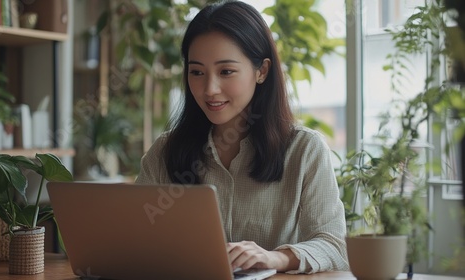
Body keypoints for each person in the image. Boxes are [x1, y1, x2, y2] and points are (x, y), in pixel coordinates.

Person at [135, 0, 349, 274]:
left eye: (226, 71)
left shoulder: (304, 150)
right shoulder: (165, 150)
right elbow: (135, 238)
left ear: (262, 71)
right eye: (197, 72)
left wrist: (275, 258)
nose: (210, 89)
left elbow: (334, 246)